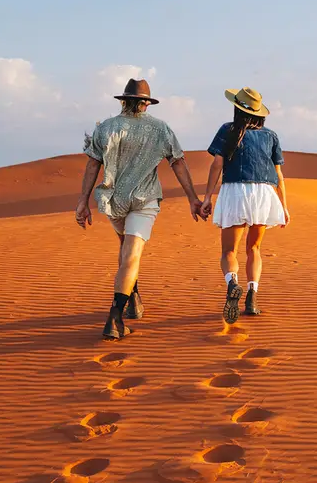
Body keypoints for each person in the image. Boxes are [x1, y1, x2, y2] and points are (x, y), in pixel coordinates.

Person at [76, 78, 206, 340]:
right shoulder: (160, 128)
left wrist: (83, 201)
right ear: (146, 103)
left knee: (126, 249)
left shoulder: (106, 128)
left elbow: (92, 165)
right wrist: (192, 197)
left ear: (124, 101)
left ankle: (133, 298)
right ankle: (115, 317)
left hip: (114, 200)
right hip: (144, 200)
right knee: (131, 254)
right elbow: (178, 162)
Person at [201, 86, 289, 324]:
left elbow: (216, 165)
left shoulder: (227, 130)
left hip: (235, 191)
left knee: (229, 251)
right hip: (263, 194)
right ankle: (252, 297)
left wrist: (207, 197)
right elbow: (279, 175)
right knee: (254, 249)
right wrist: (284, 205)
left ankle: (232, 284)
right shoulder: (271, 136)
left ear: (237, 109)